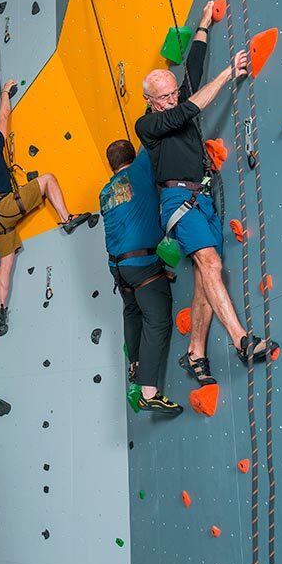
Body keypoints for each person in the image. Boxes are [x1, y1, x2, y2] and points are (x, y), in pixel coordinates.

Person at [135, 1, 277, 385]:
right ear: (151, 101)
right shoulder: (148, 124)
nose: (172, 100)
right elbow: (188, 108)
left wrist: (202, 26)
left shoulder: (176, 99)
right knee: (211, 264)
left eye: (172, 94)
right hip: (178, 201)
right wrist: (230, 72)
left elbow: (192, 73)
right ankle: (242, 340)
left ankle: (195, 353)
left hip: (201, 197)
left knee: (204, 274)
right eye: (164, 98)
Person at [0, 79, 95, 337]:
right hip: (8, 204)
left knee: (5, 264)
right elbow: (4, 115)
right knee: (47, 179)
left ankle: (1, 309)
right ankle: (66, 218)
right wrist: (4, 93)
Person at [100, 140, 182, 415]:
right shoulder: (139, 171)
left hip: (118, 267)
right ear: (132, 158)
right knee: (157, 321)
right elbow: (152, 137)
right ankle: (149, 392)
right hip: (142, 264)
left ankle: (134, 364)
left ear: (110, 165)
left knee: (132, 311)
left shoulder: (104, 192)